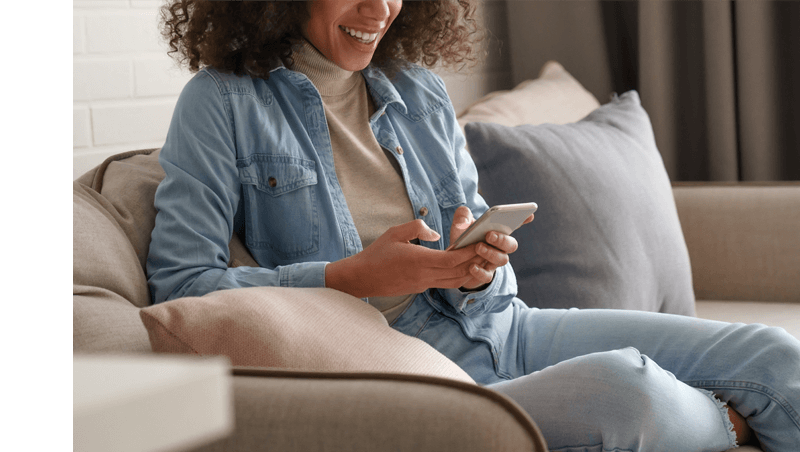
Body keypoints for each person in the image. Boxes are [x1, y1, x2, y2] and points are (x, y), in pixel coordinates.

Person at [148, 1, 800, 451]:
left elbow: (491, 277)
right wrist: (346, 278)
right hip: (415, 376)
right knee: (627, 394)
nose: (380, 10)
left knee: (774, 354)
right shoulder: (221, 103)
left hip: (504, 330)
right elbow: (181, 287)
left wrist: (479, 265)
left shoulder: (418, 90)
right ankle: (727, 425)